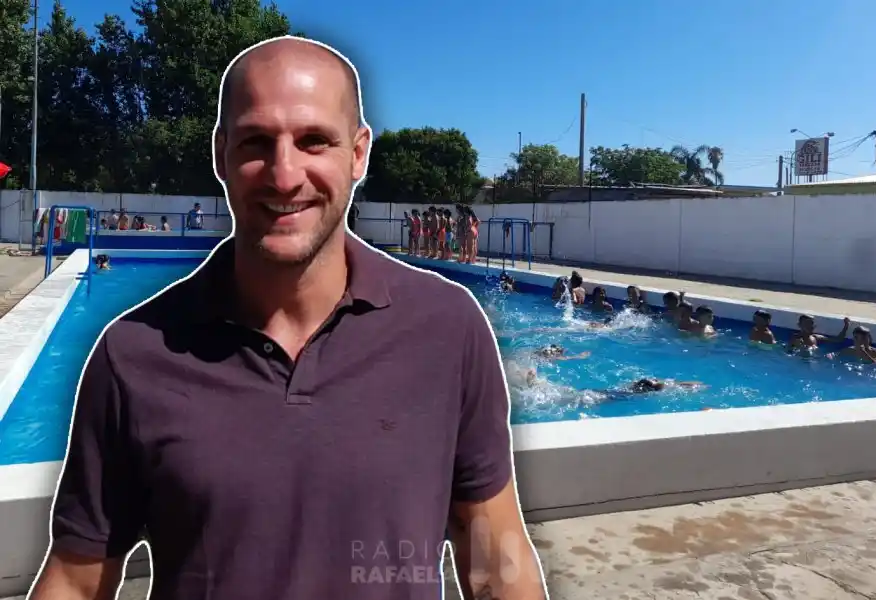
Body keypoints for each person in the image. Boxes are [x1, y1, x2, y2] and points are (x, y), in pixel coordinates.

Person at [32, 37, 545, 600]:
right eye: (256, 142)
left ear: (357, 154)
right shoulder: (134, 354)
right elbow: (77, 583)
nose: (284, 175)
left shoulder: (448, 330)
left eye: (313, 141)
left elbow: (494, 556)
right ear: (221, 153)